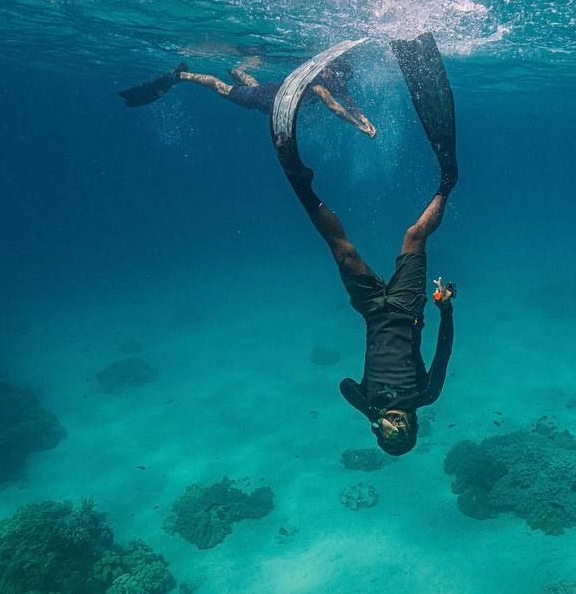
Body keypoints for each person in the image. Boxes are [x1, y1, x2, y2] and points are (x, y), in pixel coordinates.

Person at [272, 34, 459, 457]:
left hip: (373, 311)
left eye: (381, 432)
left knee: (345, 253)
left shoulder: (367, 402)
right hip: (409, 307)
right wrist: (445, 308)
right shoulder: (426, 396)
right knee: (414, 235)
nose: (389, 426)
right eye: (397, 431)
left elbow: (343, 385)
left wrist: (370, 412)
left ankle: (302, 185)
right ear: (412, 429)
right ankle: (448, 182)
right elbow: (443, 351)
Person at [118, 57, 377, 138]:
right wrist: (358, 127)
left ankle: (238, 70)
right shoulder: (321, 86)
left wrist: (365, 121)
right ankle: (182, 76)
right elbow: (335, 108)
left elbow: (351, 106)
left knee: (254, 85)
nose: (334, 75)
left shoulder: (337, 85)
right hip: (265, 100)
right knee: (222, 88)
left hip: (273, 94)